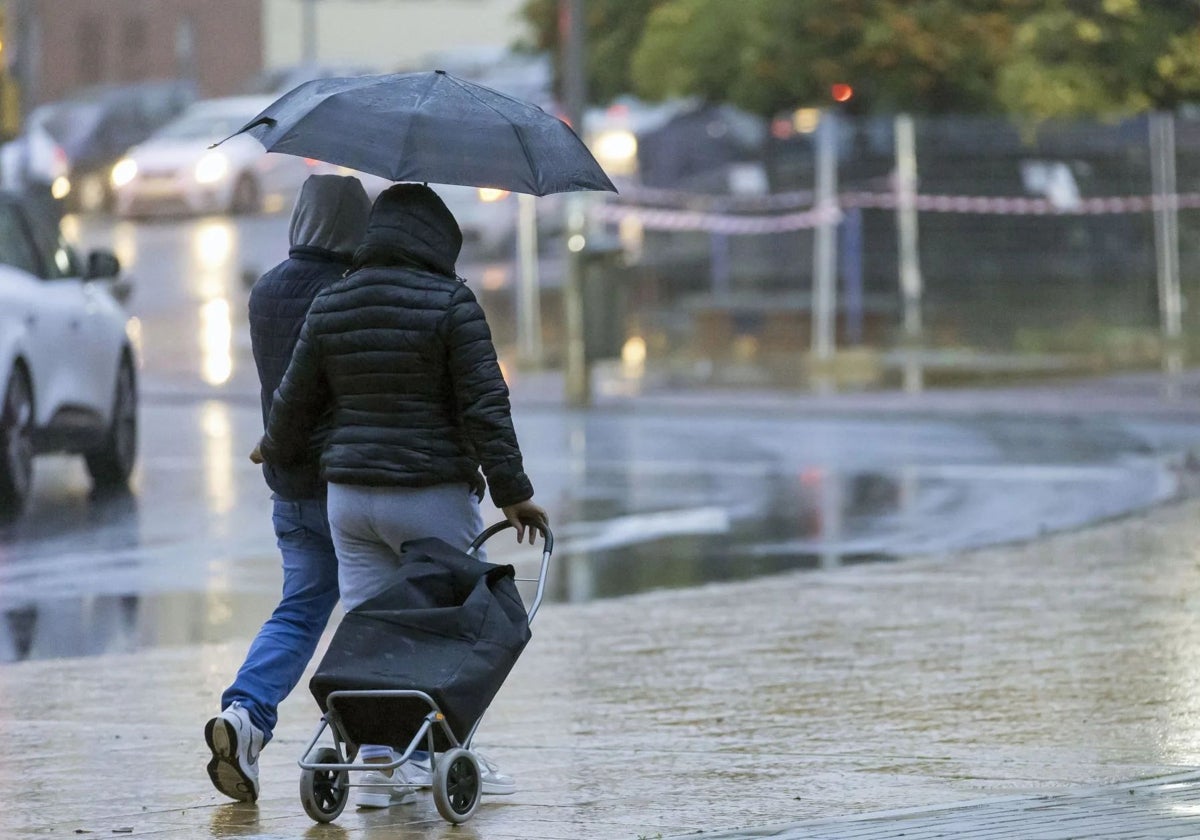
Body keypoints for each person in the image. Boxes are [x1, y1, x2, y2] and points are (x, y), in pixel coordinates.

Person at [252, 182, 548, 809]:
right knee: (440, 628)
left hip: (350, 499)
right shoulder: (452, 302)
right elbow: (485, 406)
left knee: (370, 630)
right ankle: (438, 756)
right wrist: (513, 493)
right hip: (429, 493)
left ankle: (380, 766)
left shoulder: (332, 300)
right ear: (441, 241)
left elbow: (296, 398)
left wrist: (273, 446)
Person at [205, 174, 372, 804]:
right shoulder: (349, 290)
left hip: (288, 483)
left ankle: (246, 713)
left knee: (300, 607)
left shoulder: (266, 288)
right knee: (377, 609)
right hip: (347, 479)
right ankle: (381, 745)